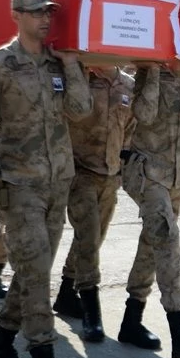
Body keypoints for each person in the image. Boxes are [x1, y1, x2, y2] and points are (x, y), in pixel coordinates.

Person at [0, 0, 92, 358]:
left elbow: (80, 111)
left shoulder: (59, 64)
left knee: (30, 272)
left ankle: (0, 345)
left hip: (58, 183)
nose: (45, 18)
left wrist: (73, 65)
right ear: (16, 14)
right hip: (17, 184)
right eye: (36, 12)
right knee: (38, 275)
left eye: (49, 13)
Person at [117, 16, 180, 358]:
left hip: (177, 177)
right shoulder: (151, 72)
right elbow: (142, 115)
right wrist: (155, 71)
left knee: (152, 242)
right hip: (147, 173)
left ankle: (131, 319)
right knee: (168, 241)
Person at [50, 63, 136, 342]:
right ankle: (91, 311)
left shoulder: (127, 84)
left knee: (93, 239)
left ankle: (66, 292)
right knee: (88, 237)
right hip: (79, 171)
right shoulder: (81, 78)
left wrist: (122, 165)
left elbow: (130, 127)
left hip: (110, 173)